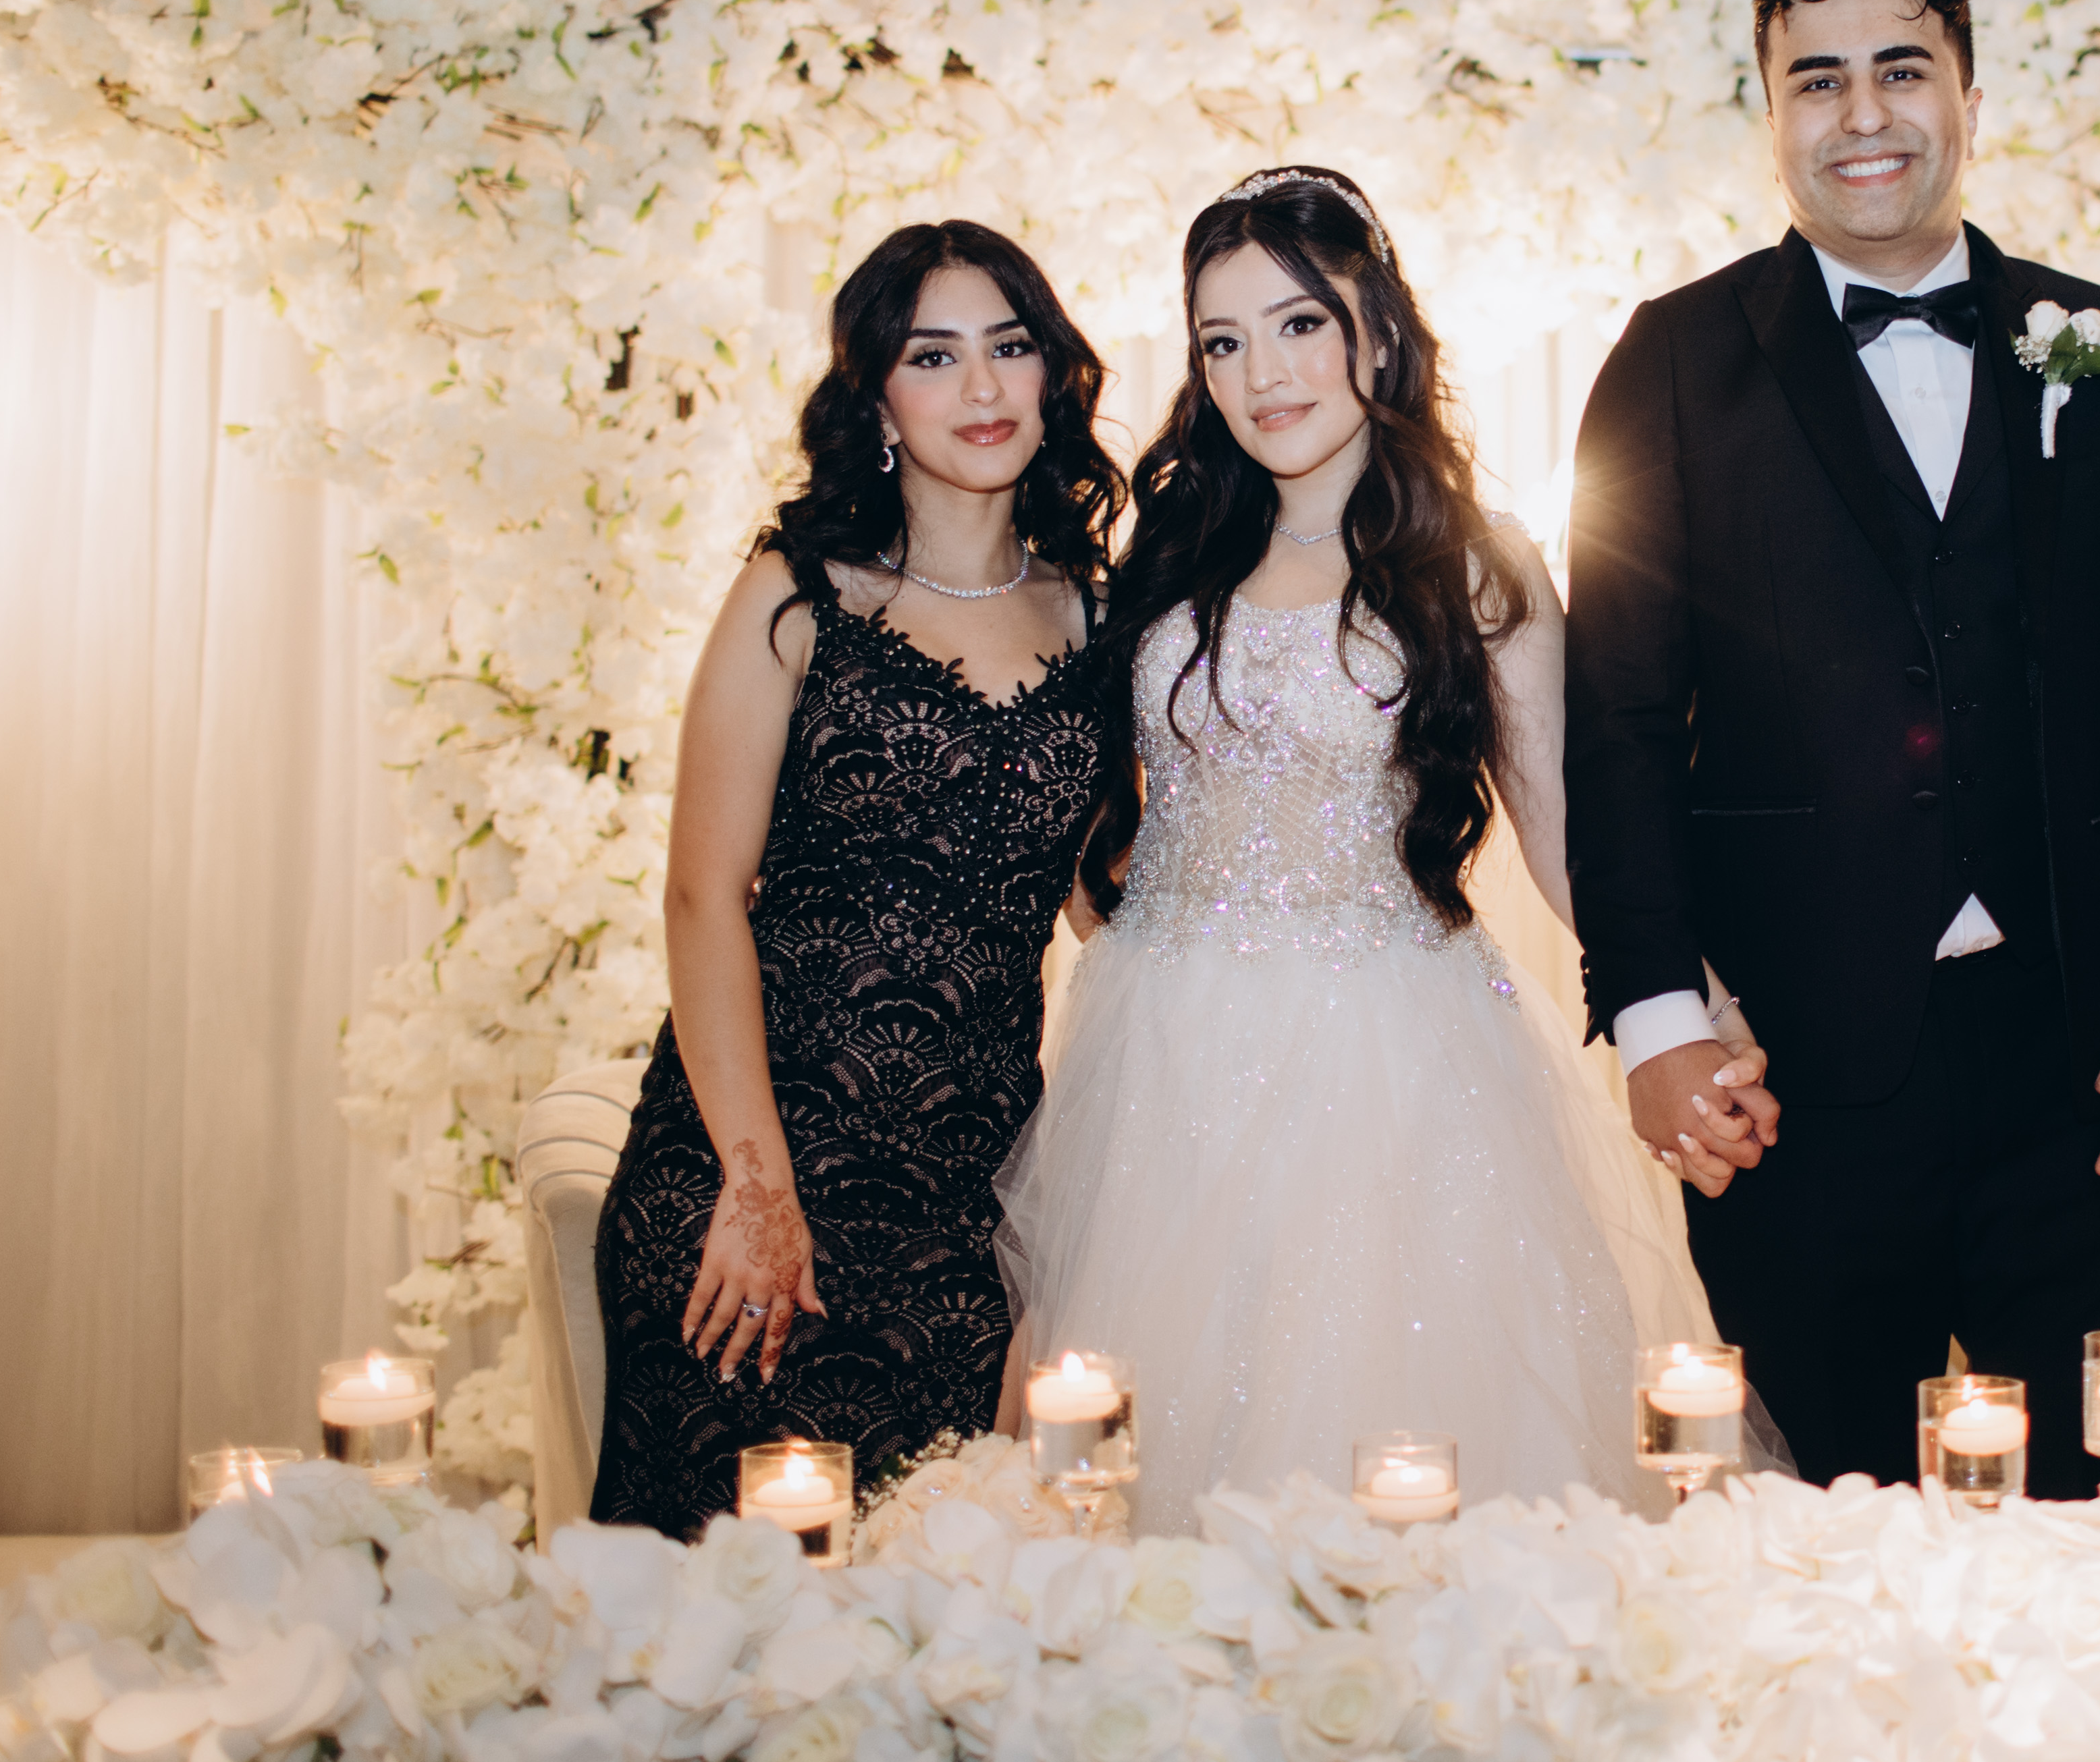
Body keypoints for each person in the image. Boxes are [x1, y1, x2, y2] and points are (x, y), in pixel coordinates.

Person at [1563, 0, 2100, 1500]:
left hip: (2085, 1066)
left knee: (2093, 1516)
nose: (1861, 114)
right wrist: (1657, 1019)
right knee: (1821, 1527)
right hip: (1789, 1076)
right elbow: (1615, 719)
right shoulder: (1670, 360)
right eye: (1817, 80)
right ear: (1769, 116)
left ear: (1968, 99)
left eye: (1900, 70)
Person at [995, 167, 1735, 1524]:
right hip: (1162, 1056)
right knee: (1140, 1477)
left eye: (1298, 324)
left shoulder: (1476, 563)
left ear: (1377, 333)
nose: (1261, 373)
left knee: (1396, 1448)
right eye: (1222, 341)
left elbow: (1563, 832)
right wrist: (1135, 918)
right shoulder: (1171, 545)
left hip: (1390, 1060)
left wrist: (1688, 1001)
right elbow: (1108, 807)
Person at [589, 221, 1125, 1537]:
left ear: (1052, 375)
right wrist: (756, 1191)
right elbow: (701, 897)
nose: (981, 388)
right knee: (723, 1608)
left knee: (939, 1594)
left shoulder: (1101, 617)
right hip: (751, 1173)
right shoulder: (796, 594)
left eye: (1009, 347)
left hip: (970, 1204)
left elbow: (1106, 903)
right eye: (932, 357)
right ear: (877, 398)